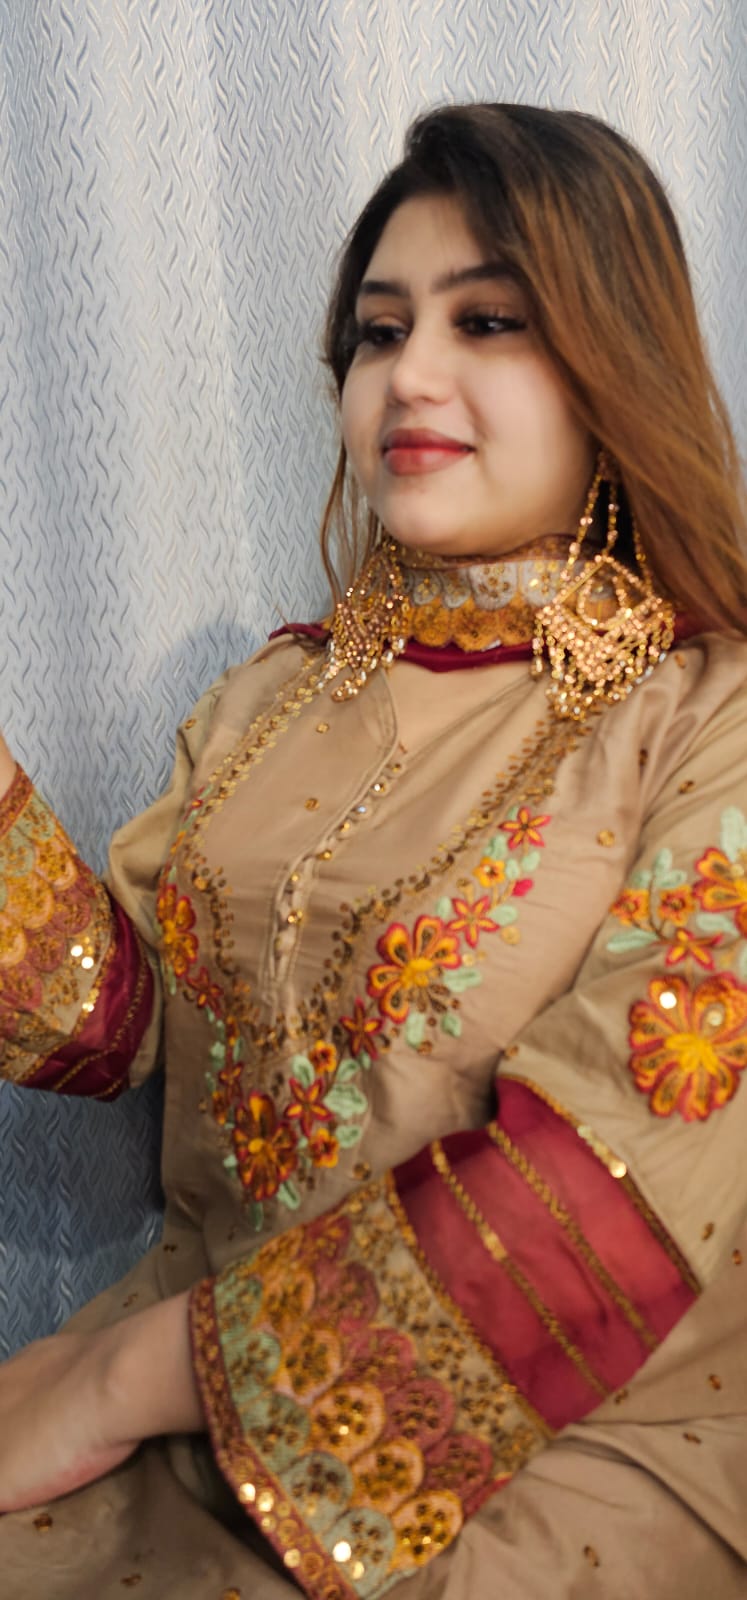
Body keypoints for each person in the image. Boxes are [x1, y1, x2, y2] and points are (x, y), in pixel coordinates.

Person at [0, 101, 746, 1600]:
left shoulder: (704, 717)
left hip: (559, 1438)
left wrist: (104, 1386)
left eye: (490, 321)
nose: (410, 373)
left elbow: (601, 1202)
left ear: (614, 363)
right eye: (379, 330)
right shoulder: (274, 696)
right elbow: (124, 1032)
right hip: (186, 1371)